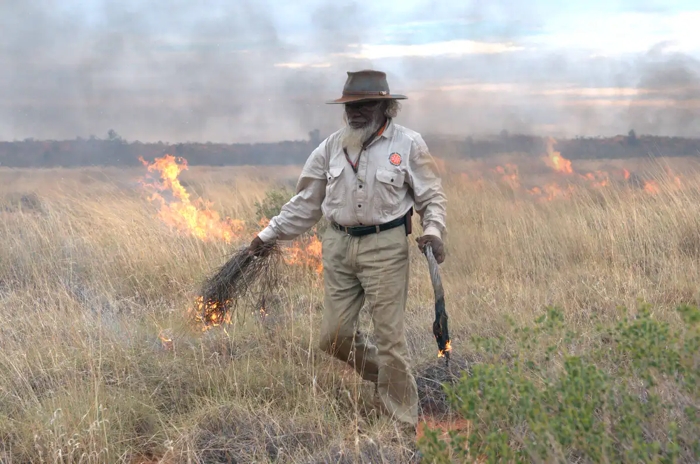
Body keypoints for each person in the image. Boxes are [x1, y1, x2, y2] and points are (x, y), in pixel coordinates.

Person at [248, 69, 447, 438]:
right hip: (338, 246)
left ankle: (402, 429)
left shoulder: (408, 144)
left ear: (386, 107)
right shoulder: (329, 147)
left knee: (390, 340)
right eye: (350, 106)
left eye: (364, 104)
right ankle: (393, 382)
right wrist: (267, 236)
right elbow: (305, 203)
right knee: (333, 337)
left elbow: (431, 196)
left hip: (385, 246)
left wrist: (433, 231)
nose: (355, 112)